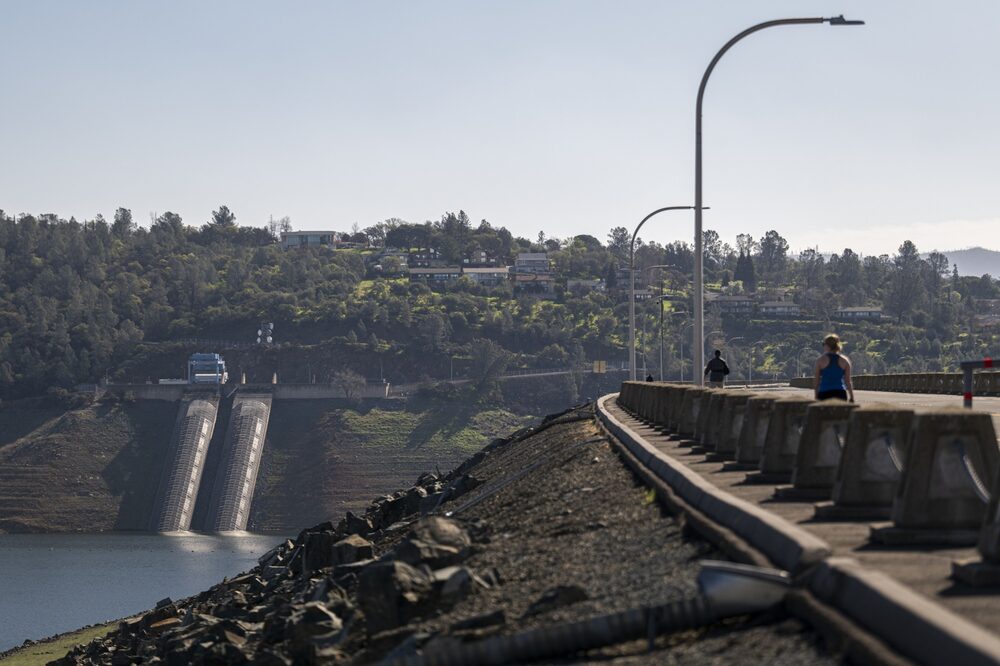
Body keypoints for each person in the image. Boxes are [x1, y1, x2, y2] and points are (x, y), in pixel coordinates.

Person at [814, 334, 854, 402]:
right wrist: (851, 397)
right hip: (840, 392)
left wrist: (816, 396)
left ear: (827, 346)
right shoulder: (845, 360)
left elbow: (817, 381)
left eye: (824, 344)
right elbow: (848, 381)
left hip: (824, 392)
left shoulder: (820, 360)